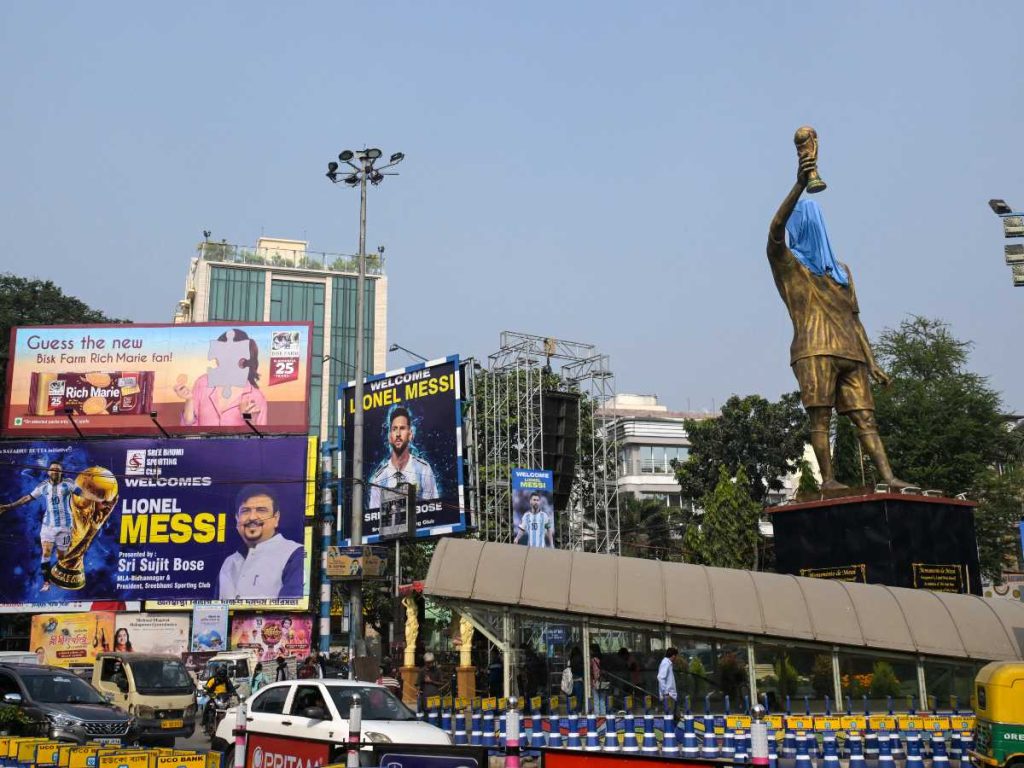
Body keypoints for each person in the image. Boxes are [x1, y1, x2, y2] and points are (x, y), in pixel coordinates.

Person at [768, 162, 908, 491]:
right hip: (814, 350)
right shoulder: (790, 266)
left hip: (851, 353)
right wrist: (799, 185)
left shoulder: (841, 272)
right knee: (820, 418)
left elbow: (854, 319)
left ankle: (889, 478)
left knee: (866, 419)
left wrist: (872, 362)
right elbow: (773, 234)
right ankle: (829, 480)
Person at [0, 461, 81, 592]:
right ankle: (46, 582)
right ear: (48, 472)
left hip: (65, 526)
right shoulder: (43, 486)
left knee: (61, 556)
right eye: (52, 469)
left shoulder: (69, 483)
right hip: (48, 526)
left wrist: (98, 499)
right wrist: (8, 507)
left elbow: (84, 494)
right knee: (46, 552)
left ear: (61, 472)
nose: (54, 471)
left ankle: (57, 568)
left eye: (57, 469)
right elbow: (27, 498)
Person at [218, 485, 304, 599]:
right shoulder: (229, 563)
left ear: (276, 518)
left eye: (261, 510)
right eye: (245, 511)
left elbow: (293, 611)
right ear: (237, 519)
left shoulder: (296, 554)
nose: (252, 517)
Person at [174, 328, 269, 427]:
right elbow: (187, 426)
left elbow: (258, 440)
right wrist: (189, 400)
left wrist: (251, 421)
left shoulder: (256, 397)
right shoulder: (203, 382)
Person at [368, 407, 438, 508]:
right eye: (394, 429)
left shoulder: (423, 469)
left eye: (402, 428)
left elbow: (434, 509)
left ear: (410, 435)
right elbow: (374, 517)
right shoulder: (379, 479)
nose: (398, 434)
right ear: (389, 437)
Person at [657, 647, 679, 717]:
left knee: (676, 717)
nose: (676, 658)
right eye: (676, 656)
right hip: (669, 696)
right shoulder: (665, 663)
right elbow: (660, 677)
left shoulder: (668, 663)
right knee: (669, 718)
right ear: (673, 656)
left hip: (672, 695)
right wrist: (666, 693)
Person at [590, 644, 607, 715]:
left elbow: (593, 672)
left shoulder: (593, 660)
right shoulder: (603, 659)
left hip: (595, 682)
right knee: (602, 701)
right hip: (603, 682)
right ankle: (603, 717)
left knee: (596, 701)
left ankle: (597, 718)